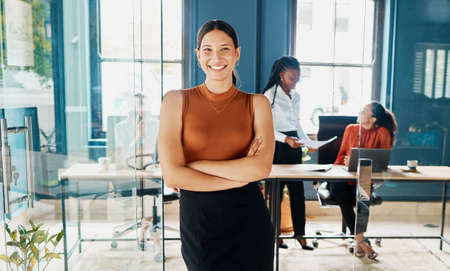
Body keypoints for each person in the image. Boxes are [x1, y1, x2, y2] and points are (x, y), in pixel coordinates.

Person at [158, 20, 275, 271]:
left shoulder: (258, 104)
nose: (216, 57)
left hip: (250, 223)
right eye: (208, 50)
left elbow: (261, 168)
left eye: (224, 49)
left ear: (237, 54)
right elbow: (172, 174)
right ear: (198, 55)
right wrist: (238, 176)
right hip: (200, 224)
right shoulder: (175, 101)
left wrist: (196, 165)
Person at [330, 101, 397, 260]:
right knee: (340, 190)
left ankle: (358, 242)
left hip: (364, 176)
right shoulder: (351, 129)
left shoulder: (382, 133)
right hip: (342, 175)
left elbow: (382, 162)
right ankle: (361, 240)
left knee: (363, 190)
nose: (360, 111)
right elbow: (341, 155)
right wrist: (346, 162)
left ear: (373, 118)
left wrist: (358, 163)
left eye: (365, 110)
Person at [262, 56, 315, 250]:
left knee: (297, 191)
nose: (295, 82)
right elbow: (266, 127)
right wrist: (285, 139)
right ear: (281, 74)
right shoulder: (270, 95)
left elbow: (297, 123)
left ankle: (300, 234)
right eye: (292, 77)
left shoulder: (297, 96)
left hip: (294, 144)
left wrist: (308, 142)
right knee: (276, 192)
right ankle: (275, 236)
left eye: (298, 78)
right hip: (277, 144)